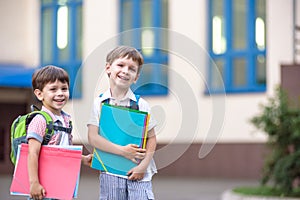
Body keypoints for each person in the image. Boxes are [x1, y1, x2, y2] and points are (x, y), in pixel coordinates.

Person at [88, 46, 157, 199]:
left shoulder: (142, 105)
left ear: (136, 77)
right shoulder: (99, 103)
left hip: (139, 174)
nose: (125, 71)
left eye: (132, 69)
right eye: (120, 65)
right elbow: (93, 138)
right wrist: (123, 151)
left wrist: (143, 166)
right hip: (110, 173)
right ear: (108, 68)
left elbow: (151, 138)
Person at [27, 65, 92, 200]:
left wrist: (83, 159)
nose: (60, 93)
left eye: (64, 89)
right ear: (39, 94)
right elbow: (32, 153)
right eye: (53, 89)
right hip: (44, 188)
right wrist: (34, 183)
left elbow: (62, 152)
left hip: (63, 185)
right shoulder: (40, 120)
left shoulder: (66, 120)